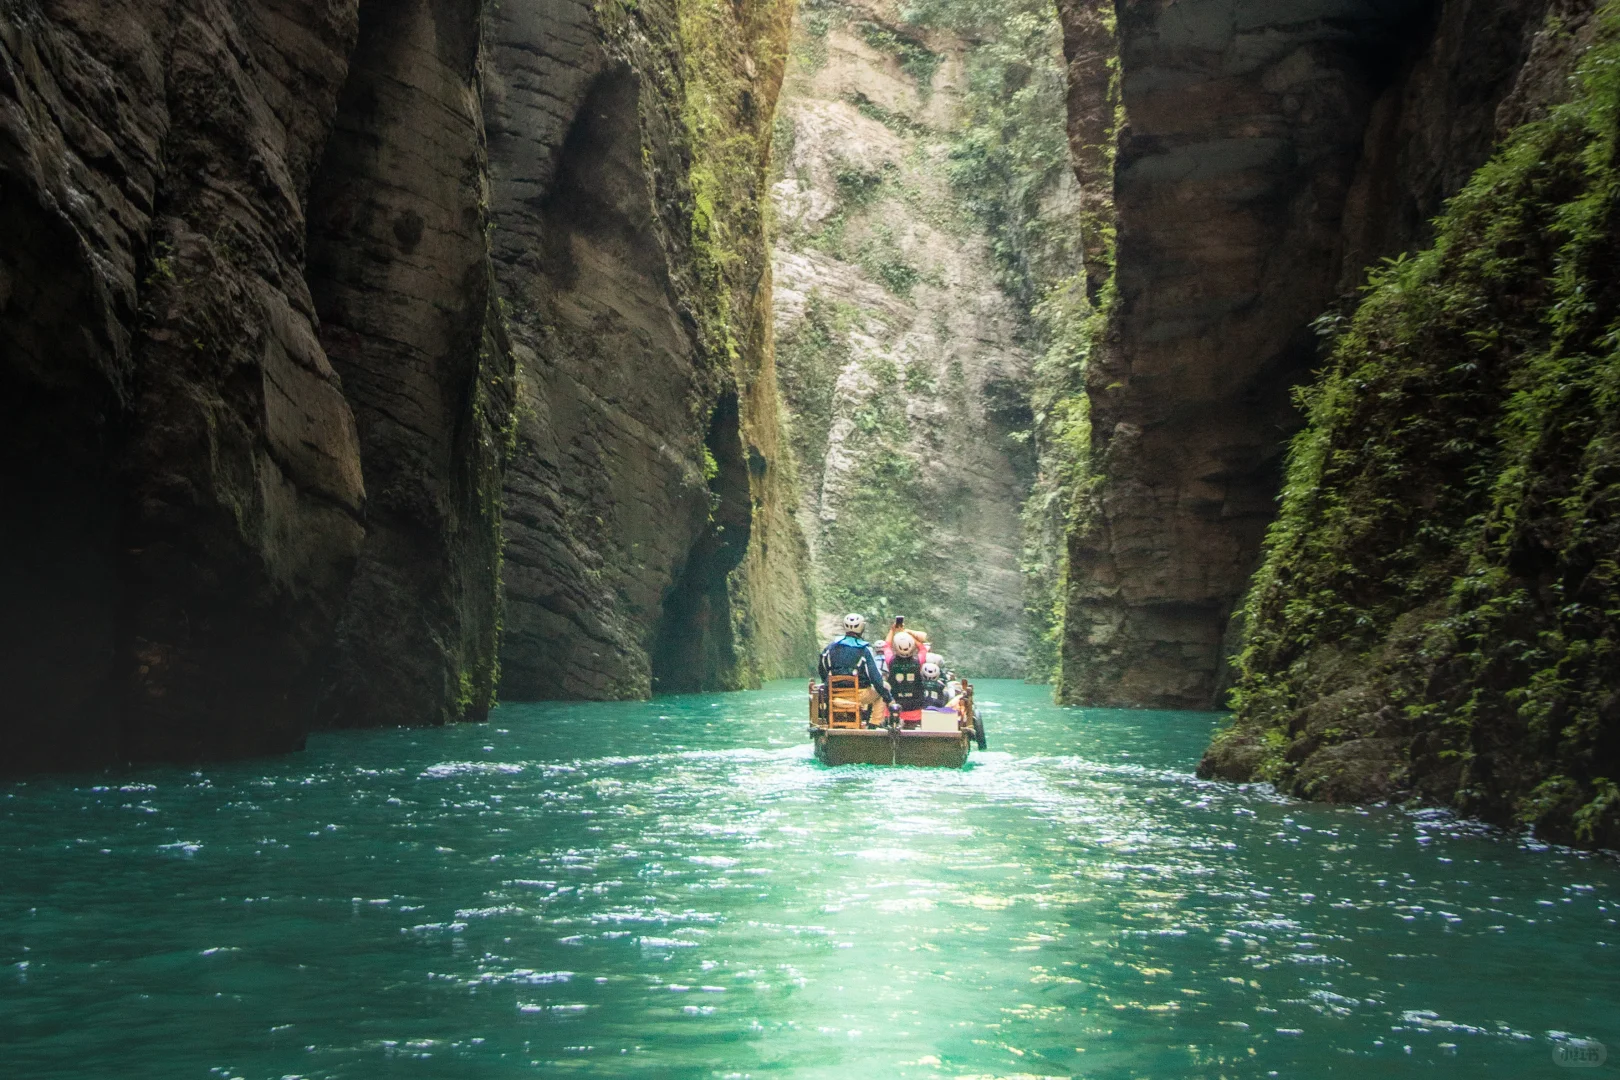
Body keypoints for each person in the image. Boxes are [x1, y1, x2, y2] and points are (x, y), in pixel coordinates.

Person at [819, 613, 892, 724]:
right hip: (858, 695)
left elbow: (822, 669)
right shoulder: (864, 650)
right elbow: (876, 679)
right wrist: (889, 699)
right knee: (885, 687)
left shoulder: (830, 648)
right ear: (862, 628)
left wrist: (827, 683)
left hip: (834, 695)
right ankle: (874, 724)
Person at [885, 630, 926, 726]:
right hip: (915, 711)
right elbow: (923, 649)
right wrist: (909, 634)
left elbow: (886, 645)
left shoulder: (890, 661)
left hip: (893, 709)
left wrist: (892, 629)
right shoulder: (918, 662)